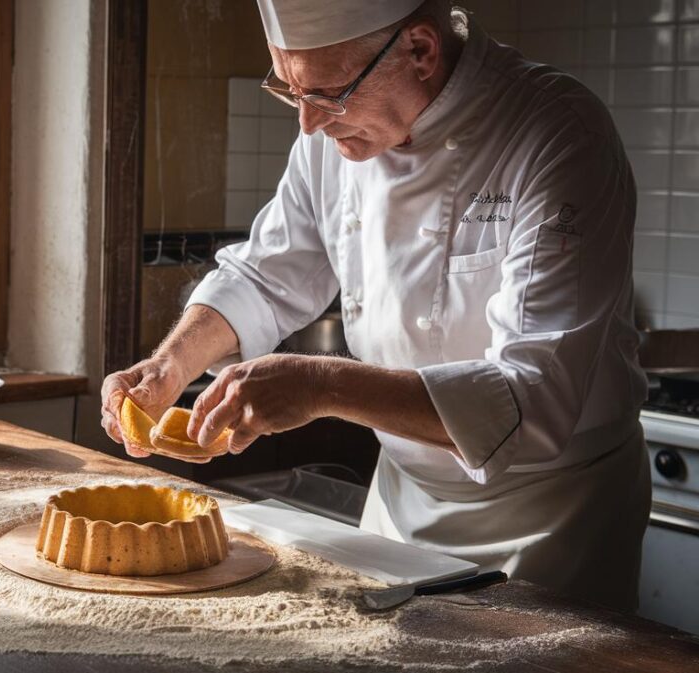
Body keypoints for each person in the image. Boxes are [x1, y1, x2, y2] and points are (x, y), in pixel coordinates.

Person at [101, 0, 650, 612]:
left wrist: (321, 385)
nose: (307, 123)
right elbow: (264, 276)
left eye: (327, 94)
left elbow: (535, 400)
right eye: (289, 89)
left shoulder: (557, 133)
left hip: (551, 517)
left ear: (420, 50)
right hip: (401, 501)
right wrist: (170, 365)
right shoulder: (332, 135)